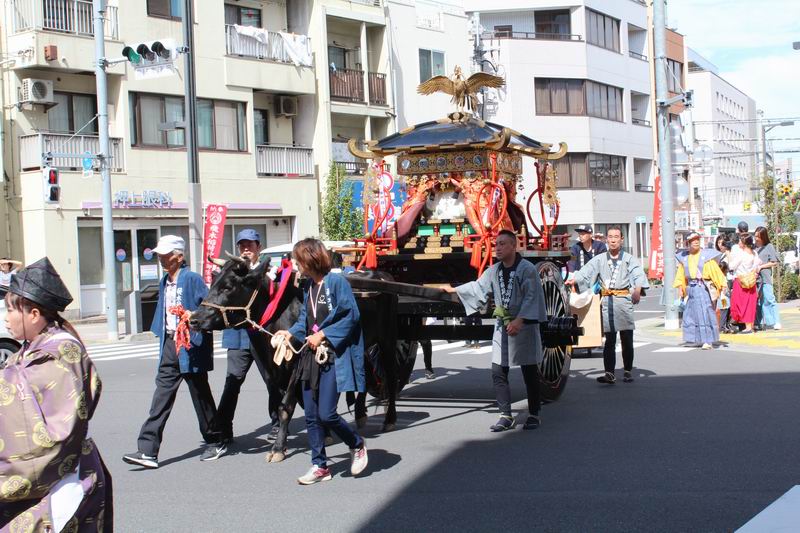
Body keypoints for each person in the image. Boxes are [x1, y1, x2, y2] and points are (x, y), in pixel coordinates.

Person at [0, 258, 113, 532]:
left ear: (34, 314)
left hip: (64, 479)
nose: (5, 317)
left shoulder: (60, 351)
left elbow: (31, 416)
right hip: (58, 475)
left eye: (10, 310)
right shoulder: (35, 347)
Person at [124, 235, 225, 469]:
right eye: (160, 254)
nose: (161, 258)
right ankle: (147, 450)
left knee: (200, 394)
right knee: (161, 396)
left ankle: (215, 439)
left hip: (190, 343)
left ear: (179, 257)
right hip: (171, 343)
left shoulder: (192, 278)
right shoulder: (164, 281)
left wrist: (194, 315)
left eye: (166, 255)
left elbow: (210, 308)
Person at [274, 238, 368, 485]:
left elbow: (351, 315)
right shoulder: (308, 287)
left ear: (310, 259)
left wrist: (323, 334)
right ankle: (319, 466)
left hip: (333, 355)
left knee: (327, 414)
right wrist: (290, 333)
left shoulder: (336, 282)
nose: (296, 265)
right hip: (310, 356)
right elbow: (306, 319)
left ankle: (356, 444)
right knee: (311, 415)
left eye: (298, 260)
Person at [444, 229, 547, 432]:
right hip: (502, 325)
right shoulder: (494, 270)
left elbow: (532, 296)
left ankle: (534, 413)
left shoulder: (527, 269)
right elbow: (478, 288)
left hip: (524, 325)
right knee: (498, 371)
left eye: (502, 244)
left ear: (514, 246)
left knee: (529, 371)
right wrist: (454, 289)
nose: (497, 248)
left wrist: (519, 320)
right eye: (496, 244)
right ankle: (505, 415)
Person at [216, 229, 282, 444]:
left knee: (272, 381)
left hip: (263, 336)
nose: (246, 249)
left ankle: (278, 424)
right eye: (242, 245)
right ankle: (224, 429)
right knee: (232, 381)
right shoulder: (230, 271)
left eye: (250, 245)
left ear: (258, 248)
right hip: (238, 336)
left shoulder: (270, 271)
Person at [568, 226, 649, 384]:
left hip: (623, 301)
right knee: (609, 340)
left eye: (616, 237)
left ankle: (627, 370)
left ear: (621, 239)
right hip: (607, 301)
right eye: (610, 237)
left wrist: (638, 290)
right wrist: (574, 279)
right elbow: (586, 271)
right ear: (606, 239)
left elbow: (638, 274)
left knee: (626, 338)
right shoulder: (599, 259)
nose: (613, 240)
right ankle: (609, 373)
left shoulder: (629, 259)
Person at [674, 232, 727, 349]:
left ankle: (708, 340)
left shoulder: (706, 257)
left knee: (705, 313)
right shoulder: (684, 258)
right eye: (693, 240)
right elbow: (680, 276)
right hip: (691, 289)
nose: (696, 242)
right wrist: (680, 289)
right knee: (691, 314)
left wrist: (722, 287)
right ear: (688, 243)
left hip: (703, 288)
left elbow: (717, 273)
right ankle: (695, 338)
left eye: (697, 239)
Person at [728, 233, 761, 334]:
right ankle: (750, 326)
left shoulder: (741, 255)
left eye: (740, 241)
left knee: (739, 303)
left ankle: (746, 326)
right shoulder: (754, 253)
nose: (738, 243)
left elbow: (731, 266)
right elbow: (758, 265)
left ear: (744, 243)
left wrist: (729, 255)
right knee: (750, 304)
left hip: (741, 281)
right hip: (751, 281)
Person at [754, 226, 782, 330]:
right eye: (755, 236)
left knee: (769, 299)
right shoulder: (753, 247)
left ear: (763, 237)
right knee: (758, 301)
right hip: (755, 278)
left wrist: (761, 266)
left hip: (765, 277)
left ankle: (776, 321)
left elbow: (774, 262)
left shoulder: (769, 246)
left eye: (758, 236)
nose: (756, 238)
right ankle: (761, 322)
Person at [715, 236, 735, 333]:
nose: (720, 245)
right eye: (718, 243)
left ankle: (725, 325)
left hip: (728, 282)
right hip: (721, 283)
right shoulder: (717, 255)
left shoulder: (729, 254)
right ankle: (722, 326)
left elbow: (732, 266)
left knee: (727, 304)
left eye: (722, 243)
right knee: (724, 305)